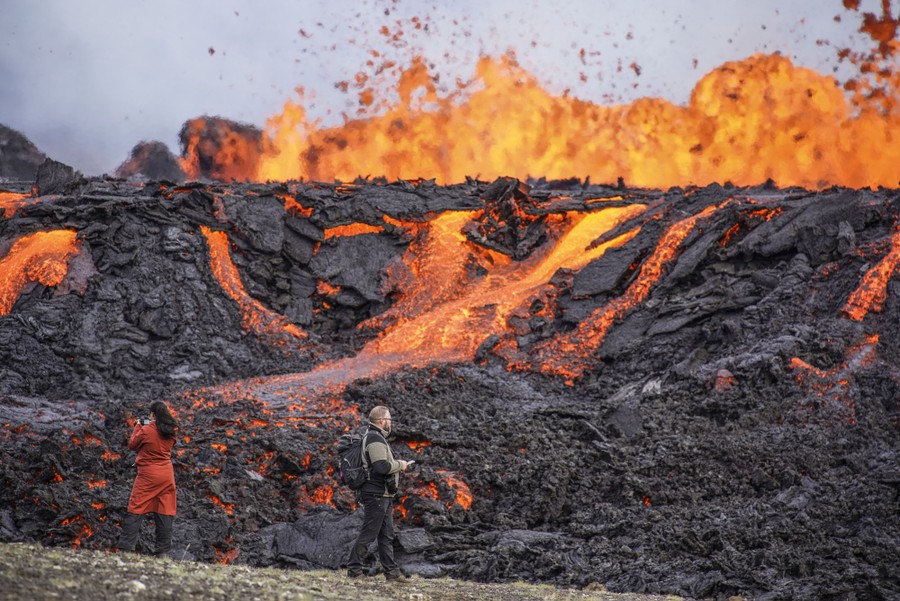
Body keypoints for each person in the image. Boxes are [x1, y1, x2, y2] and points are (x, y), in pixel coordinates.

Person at [346, 405, 414, 582]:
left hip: (383, 494)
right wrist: (401, 464)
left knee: (386, 535)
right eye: (389, 419)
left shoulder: (375, 437)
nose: (391, 423)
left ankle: (392, 573)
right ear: (382, 421)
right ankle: (354, 571)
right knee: (369, 533)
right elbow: (381, 467)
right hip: (376, 494)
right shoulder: (375, 439)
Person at [117, 401, 178, 556]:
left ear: (152, 414)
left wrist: (139, 425)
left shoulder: (146, 430)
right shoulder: (171, 430)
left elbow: (132, 444)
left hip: (148, 475)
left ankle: (126, 548)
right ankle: (162, 552)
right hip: (166, 475)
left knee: (136, 506)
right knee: (165, 509)